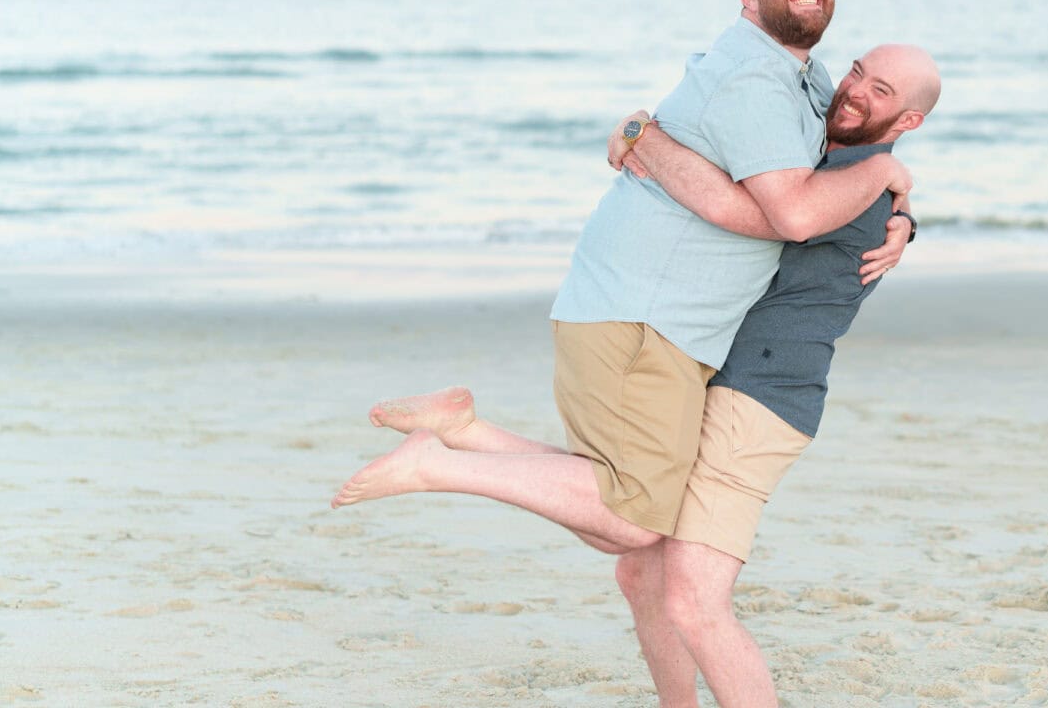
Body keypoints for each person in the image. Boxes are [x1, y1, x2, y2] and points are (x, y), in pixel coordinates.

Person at [336, 43, 940, 708]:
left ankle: (446, 456)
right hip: (712, 369)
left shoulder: (859, 175)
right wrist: (902, 203)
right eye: (857, 71)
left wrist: (643, 137)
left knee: (690, 596)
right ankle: (468, 435)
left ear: (907, 122)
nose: (854, 91)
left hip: (760, 401)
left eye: (881, 91)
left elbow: (756, 205)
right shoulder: (833, 160)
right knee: (636, 558)